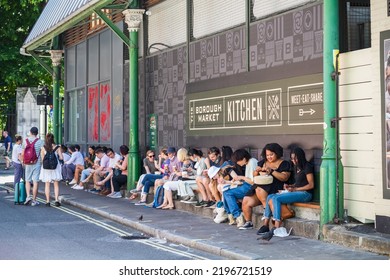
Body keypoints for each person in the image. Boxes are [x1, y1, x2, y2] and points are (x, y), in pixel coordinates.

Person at [260, 147, 314, 238]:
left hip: (306, 194)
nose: (293, 161)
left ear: (300, 157)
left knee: (276, 198)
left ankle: (276, 226)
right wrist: (290, 186)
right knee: (270, 196)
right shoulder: (296, 167)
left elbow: (311, 185)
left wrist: (295, 189)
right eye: (292, 158)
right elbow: (299, 183)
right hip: (297, 191)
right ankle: (265, 224)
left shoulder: (307, 166)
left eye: (295, 158)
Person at [241, 143, 291, 233]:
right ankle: (249, 222)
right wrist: (257, 170)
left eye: (271, 154)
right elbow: (254, 175)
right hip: (259, 188)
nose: (269, 157)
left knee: (259, 189)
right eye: (267, 155)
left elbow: (284, 177)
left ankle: (266, 217)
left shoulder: (284, 163)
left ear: (277, 153)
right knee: (246, 200)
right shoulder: (262, 162)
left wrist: (271, 171)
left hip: (274, 187)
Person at [221, 148, 257, 228]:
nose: (237, 163)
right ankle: (232, 215)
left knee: (228, 193)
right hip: (246, 185)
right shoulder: (249, 162)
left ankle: (237, 216)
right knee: (225, 191)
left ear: (243, 158)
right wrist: (238, 179)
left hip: (251, 187)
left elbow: (253, 181)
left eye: (238, 161)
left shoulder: (252, 162)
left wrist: (241, 177)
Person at [39, 133, 62, 206]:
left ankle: (48, 201)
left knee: (47, 184)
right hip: (55, 167)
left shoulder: (43, 148)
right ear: (53, 138)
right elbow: (61, 158)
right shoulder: (57, 147)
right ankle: (56, 200)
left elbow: (42, 159)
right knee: (56, 184)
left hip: (46, 168)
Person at [23, 127, 44, 206]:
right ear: (37, 133)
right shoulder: (40, 142)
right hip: (36, 163)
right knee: (35, 181)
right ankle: (34, 200)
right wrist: (42, 162)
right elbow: (42, 153)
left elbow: (22, 153)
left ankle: (28, 196)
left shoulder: (25, 141)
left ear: (30, 132)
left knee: (27, 180)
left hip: (27, 163)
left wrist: (23, 162)